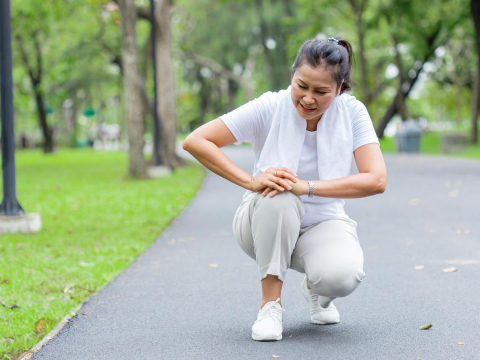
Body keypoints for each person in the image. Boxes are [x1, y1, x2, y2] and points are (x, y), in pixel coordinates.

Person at [183, 37, 387, 341]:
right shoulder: (270, 106)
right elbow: (197, 141)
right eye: (301, 86)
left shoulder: (352, 113)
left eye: (321, 92)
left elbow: (376, 179)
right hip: (261, 222)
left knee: (344, 276)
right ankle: (270, 307)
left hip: (323, 222)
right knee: (280, 190)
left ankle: (315, 290)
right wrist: (251, 180)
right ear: (292, 76)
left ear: (341, 88)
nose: (307, 98)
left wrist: (307, 187)